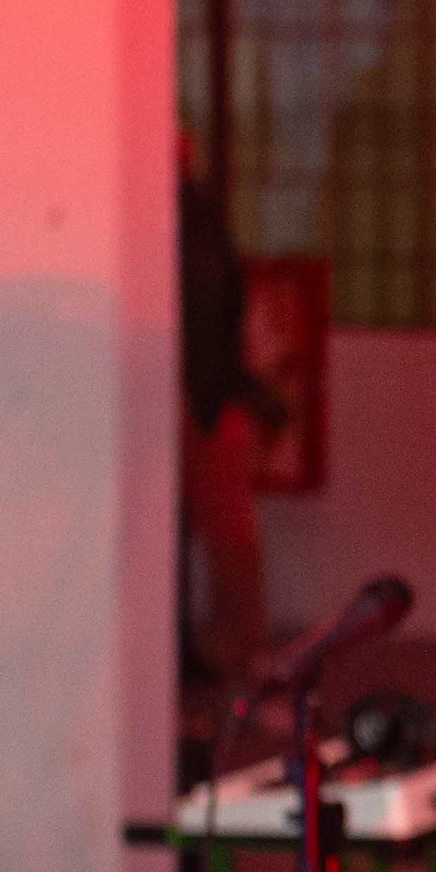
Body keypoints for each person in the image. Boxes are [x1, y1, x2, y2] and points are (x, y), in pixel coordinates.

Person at [180, 135, 281, 689]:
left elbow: (212, 320)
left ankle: (244, 654)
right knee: (226, 537)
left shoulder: (192, 226)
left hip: (207, 401)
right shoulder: (199, 224)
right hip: (208, 398)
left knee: (228, 538)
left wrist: (209, 398)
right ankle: (231, 652)